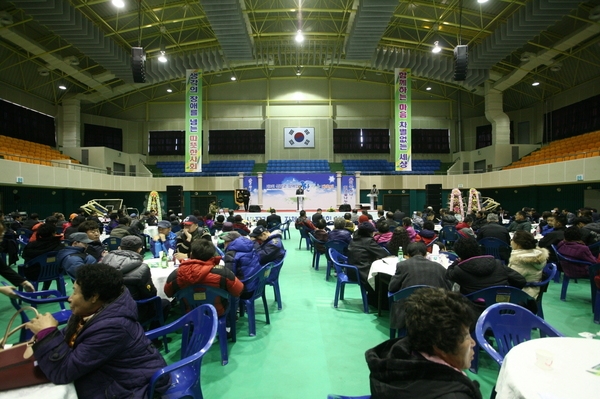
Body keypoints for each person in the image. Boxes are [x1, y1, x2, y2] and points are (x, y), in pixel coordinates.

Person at [25, 263, 168, 399]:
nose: (70, 298)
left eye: (75, 292)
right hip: (116, 374)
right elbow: (70, 341)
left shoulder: (113, 327)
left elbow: (62, 373)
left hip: (131, 387)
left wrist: (47, 334)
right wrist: (46, 336)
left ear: (94, 297)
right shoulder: (96, 310)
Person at [366, 288, 482, 399]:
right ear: (441, 344)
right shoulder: (452, 395)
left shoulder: (391, 358)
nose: (473, 343)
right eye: (466, 336)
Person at [164, 240, 243, 316]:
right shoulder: (223, 272)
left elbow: (168, 293)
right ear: (212, 255)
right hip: (217, 311)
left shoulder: (177, 273)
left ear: (191, 254)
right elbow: (238, 290)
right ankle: (228, 325)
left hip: (188, 312)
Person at [103, 235, 170, 325]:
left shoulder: (103, 262)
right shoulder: (142, 268)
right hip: (133, 310)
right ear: (139, 250)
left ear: (119, 248)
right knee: (165, 303)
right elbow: (150, 294)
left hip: (105, 309)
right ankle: (154, 338)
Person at [388, 242, 453, 330]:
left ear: (407, 255)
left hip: (408, 309)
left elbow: (392, 287)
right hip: (434, 308)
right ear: (426, 254)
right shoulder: (439, 267)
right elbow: (448, 288)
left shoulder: (402, 265)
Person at [446, 237, 526, 295]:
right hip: (502, 307)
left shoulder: (459, 270)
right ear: (478, 248)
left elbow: (447, 274)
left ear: (459, 254)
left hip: (473, 310)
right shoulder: (497, 263)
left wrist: (457, 261)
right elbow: (520, 280)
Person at [507, 231, 549, 299]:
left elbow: (513, 279)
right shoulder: (537, 254)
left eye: (512, 240)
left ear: (518, 244)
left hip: (523, 292)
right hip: (532, 289)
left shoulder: (520, 261)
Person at [347, 222, 390, 287]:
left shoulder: (354, 239)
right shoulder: (368, 241)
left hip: (351, 271)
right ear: (369, 233)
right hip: (363, 273)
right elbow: (384, 254)